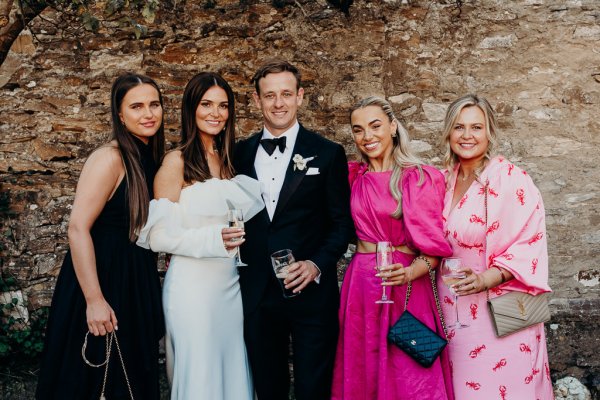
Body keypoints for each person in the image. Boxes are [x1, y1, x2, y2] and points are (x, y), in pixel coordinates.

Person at [35, 73, 166, 399]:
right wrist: (94, 300)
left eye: (154, 104)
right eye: (136, 106)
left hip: (135, 277)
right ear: (120, 115)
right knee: (93, 379)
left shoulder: (149, 157)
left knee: (130, 375)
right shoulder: (110, 158)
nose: (148, 113)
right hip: (103, 277)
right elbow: (77, 227)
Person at [136, 72, 263, 400]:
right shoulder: (175, 161)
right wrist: (212, 239)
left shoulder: (227, 161)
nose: (215, 113)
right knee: (200, 379)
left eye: (223, 106)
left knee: (230, 373)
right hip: (191, 290)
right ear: (191, 108)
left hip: (229, 287)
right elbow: (158, 236)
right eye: (206, 104)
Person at [233, 60, 354, 400]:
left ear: (300, 97)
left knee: (313, 388)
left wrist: (315, 264)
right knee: (266, 386)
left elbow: (342, 224)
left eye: (286, 94)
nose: (278, 103)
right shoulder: (238, 153)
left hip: (312, 294)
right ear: (256, 101)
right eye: (269, 95)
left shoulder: (328, 153)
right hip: (256, 294)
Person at [331, 96, 454, 400]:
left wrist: (411, 272)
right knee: (363, 367)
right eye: (358, 130)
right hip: (361, 285)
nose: (367, 137)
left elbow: (435, 251)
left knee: (410, 370)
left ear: (393, 126)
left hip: (406, 285)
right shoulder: (350, 178)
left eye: (375, 126)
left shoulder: (418, 177)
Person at [438, 94, 554, 398]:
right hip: (451, 310)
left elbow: (529, 242)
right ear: (448, 132)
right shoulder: (442, 180)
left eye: (476, 127)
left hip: (499, 311)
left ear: (490, 132)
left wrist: (483, 279)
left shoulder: (510, 180)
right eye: (459, 127)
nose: (467, 136)